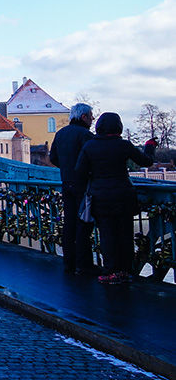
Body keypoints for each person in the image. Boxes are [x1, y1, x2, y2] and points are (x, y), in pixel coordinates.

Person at [75, 112, 156, 285]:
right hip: (124, 194)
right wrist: (149, 146)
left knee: (107, 233)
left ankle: (111, 271)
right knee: (125, 234)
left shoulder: (90, 146)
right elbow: (146, 162)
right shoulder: (124, 145)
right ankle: (125, 271)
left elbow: (79, 172)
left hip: (100, 196)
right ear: (118, 127)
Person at [49, 103, 97, 275]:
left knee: (69, 223)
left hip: (66, 183)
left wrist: (66, 168)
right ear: (83, 117)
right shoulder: (86, 135)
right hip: (84, 184)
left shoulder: (60, 133)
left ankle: (68, 262)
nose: (92, 119)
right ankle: (83, 264)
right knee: (84, 223)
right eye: (91, 116)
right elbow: (93, 158)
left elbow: (53, 157)